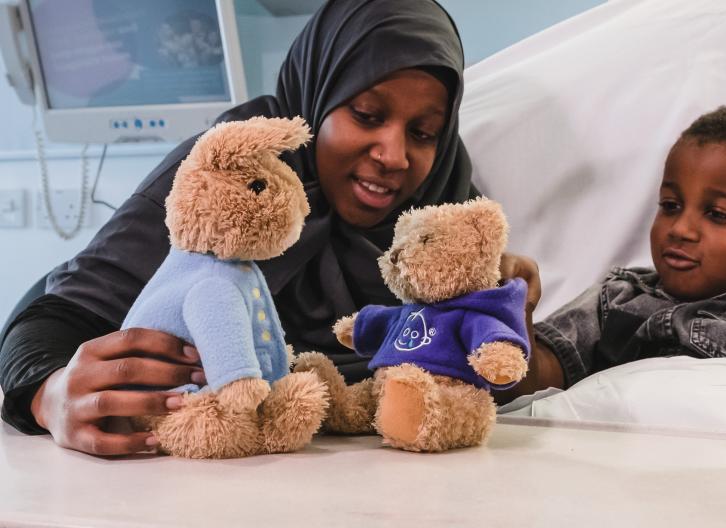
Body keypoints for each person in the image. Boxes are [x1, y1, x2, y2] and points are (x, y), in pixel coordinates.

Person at [0, 0, 541, 457]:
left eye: (423, 133)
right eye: (367, 115)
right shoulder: (232, 176)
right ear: (318, 97)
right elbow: (52, 320)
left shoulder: (443, 208)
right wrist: (47, 395)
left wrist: (510, 311)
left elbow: (472, 365)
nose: (394, 155)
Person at [513, 105, 726, 455]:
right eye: (670, 205)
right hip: (596, 477)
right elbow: (525, 390)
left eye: (717, 215)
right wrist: (512, 313)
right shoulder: (615, 300)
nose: (680, 229)